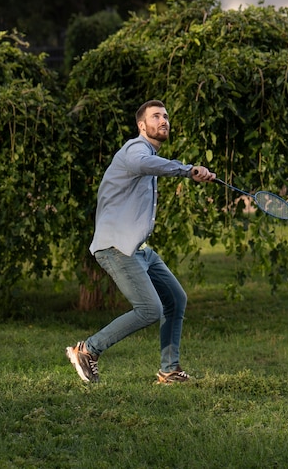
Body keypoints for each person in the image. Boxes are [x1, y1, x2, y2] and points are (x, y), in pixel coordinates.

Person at [66, 99, 216, 384]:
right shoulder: (136, 149)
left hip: (138, 249)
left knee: (175, 299)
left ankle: (169, 369)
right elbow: (143, 164)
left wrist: (195, 172)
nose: (163, 121)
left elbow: (151, 167)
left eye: (166, 116)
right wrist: (187, 169)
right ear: (141, 125)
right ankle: (87, 350)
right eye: (156, 116)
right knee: (150, 309)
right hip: (116, 247)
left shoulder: (150, 155)